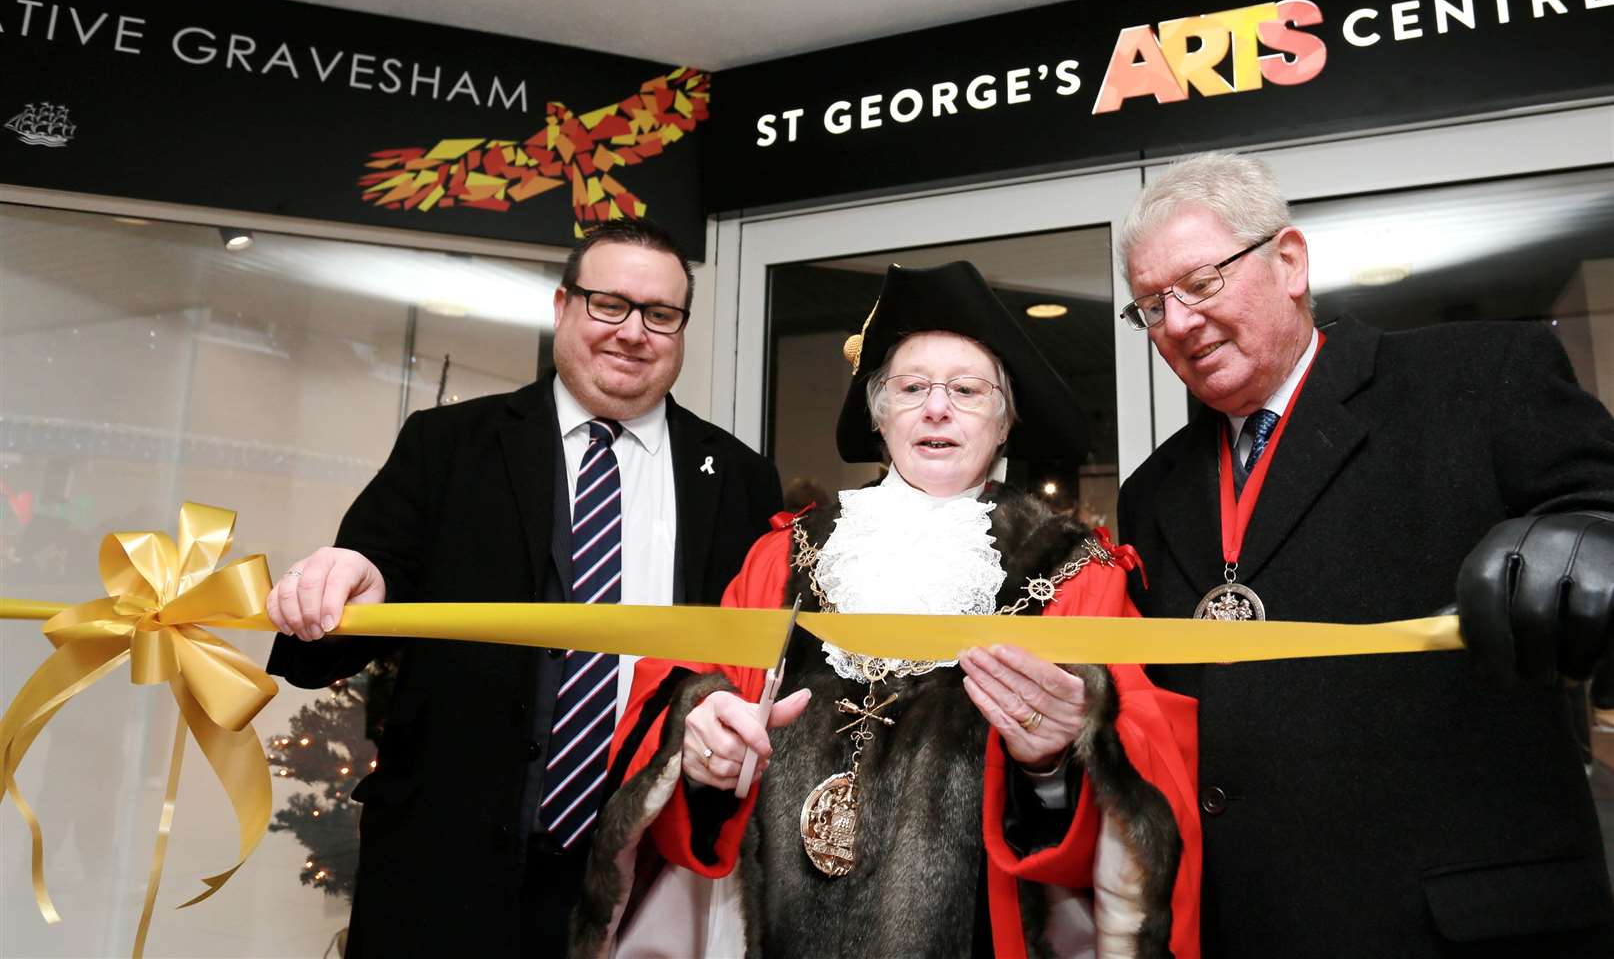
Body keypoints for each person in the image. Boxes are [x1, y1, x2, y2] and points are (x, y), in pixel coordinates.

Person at [572, 262, 1202, 959]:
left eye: (967, 391)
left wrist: (1054, 764)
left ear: (1005, 423)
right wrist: (701, 748)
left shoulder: (1077, 572)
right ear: (878, 414)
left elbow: (1142, 780)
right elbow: (687, 696)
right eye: (910, 389)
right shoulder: (783, 555)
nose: (937, 409)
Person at [1113, 152, 1614, 957]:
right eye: (1150, 307)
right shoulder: (1152, 492)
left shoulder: (1478, 377)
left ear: (1289, 262)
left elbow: (1597, 516)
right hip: (1245, 925)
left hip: (1457, 924)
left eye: (1201, 284)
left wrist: (1594, 533)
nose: (1176, 324)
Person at [263, 220, 782, 957]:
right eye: (609, 305)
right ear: (563, 306)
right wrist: (350, 582)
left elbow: (746, 658)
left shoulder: (735, 476)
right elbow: (362, 591)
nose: (633, 332)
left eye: (659, 315)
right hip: (446, 867)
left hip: (642, 873)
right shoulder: (448, 447)